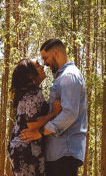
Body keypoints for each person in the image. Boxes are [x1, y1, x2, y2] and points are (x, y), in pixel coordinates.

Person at [21, 38, 88, 176]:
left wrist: (39, 132)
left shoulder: (69, 76)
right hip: (58, 153)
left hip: (65, 152)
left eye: (45, 58)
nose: (44, 63)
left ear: (56, 53)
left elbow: (69, 114)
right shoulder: (63, 76)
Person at [8, 58, 62, 176]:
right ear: (30, 75)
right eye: (37, 65)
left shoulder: (27, 93)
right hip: (27, 150)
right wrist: (53, 113)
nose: (42, 66)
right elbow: (32, 124)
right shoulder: (33, 93)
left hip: (19, 148)